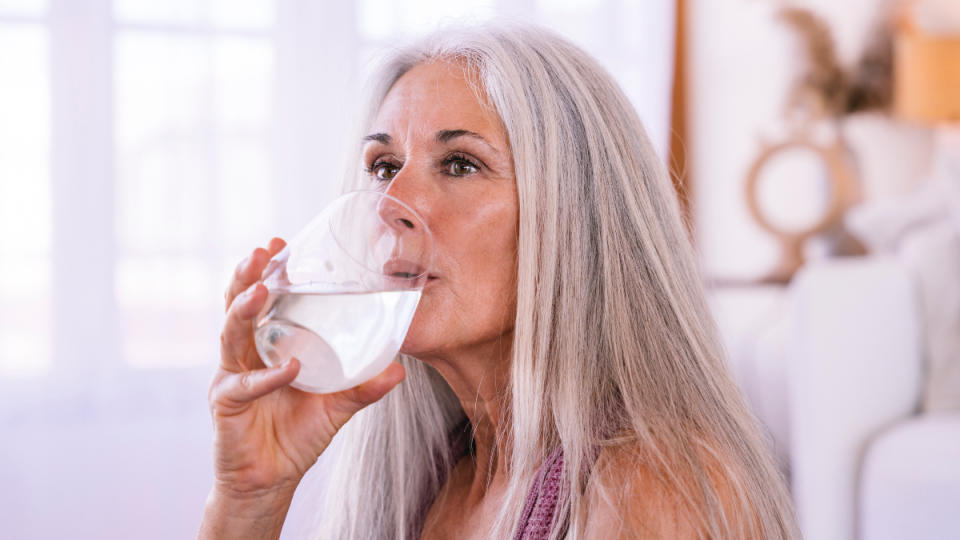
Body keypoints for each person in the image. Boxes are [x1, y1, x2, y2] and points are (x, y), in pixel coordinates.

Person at [198, 23, 800, 540]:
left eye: (460, 164)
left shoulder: (651, 489)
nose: (389, 203)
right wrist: (250, 499)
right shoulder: (433, 480)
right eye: (384, 167)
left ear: (576, 217)